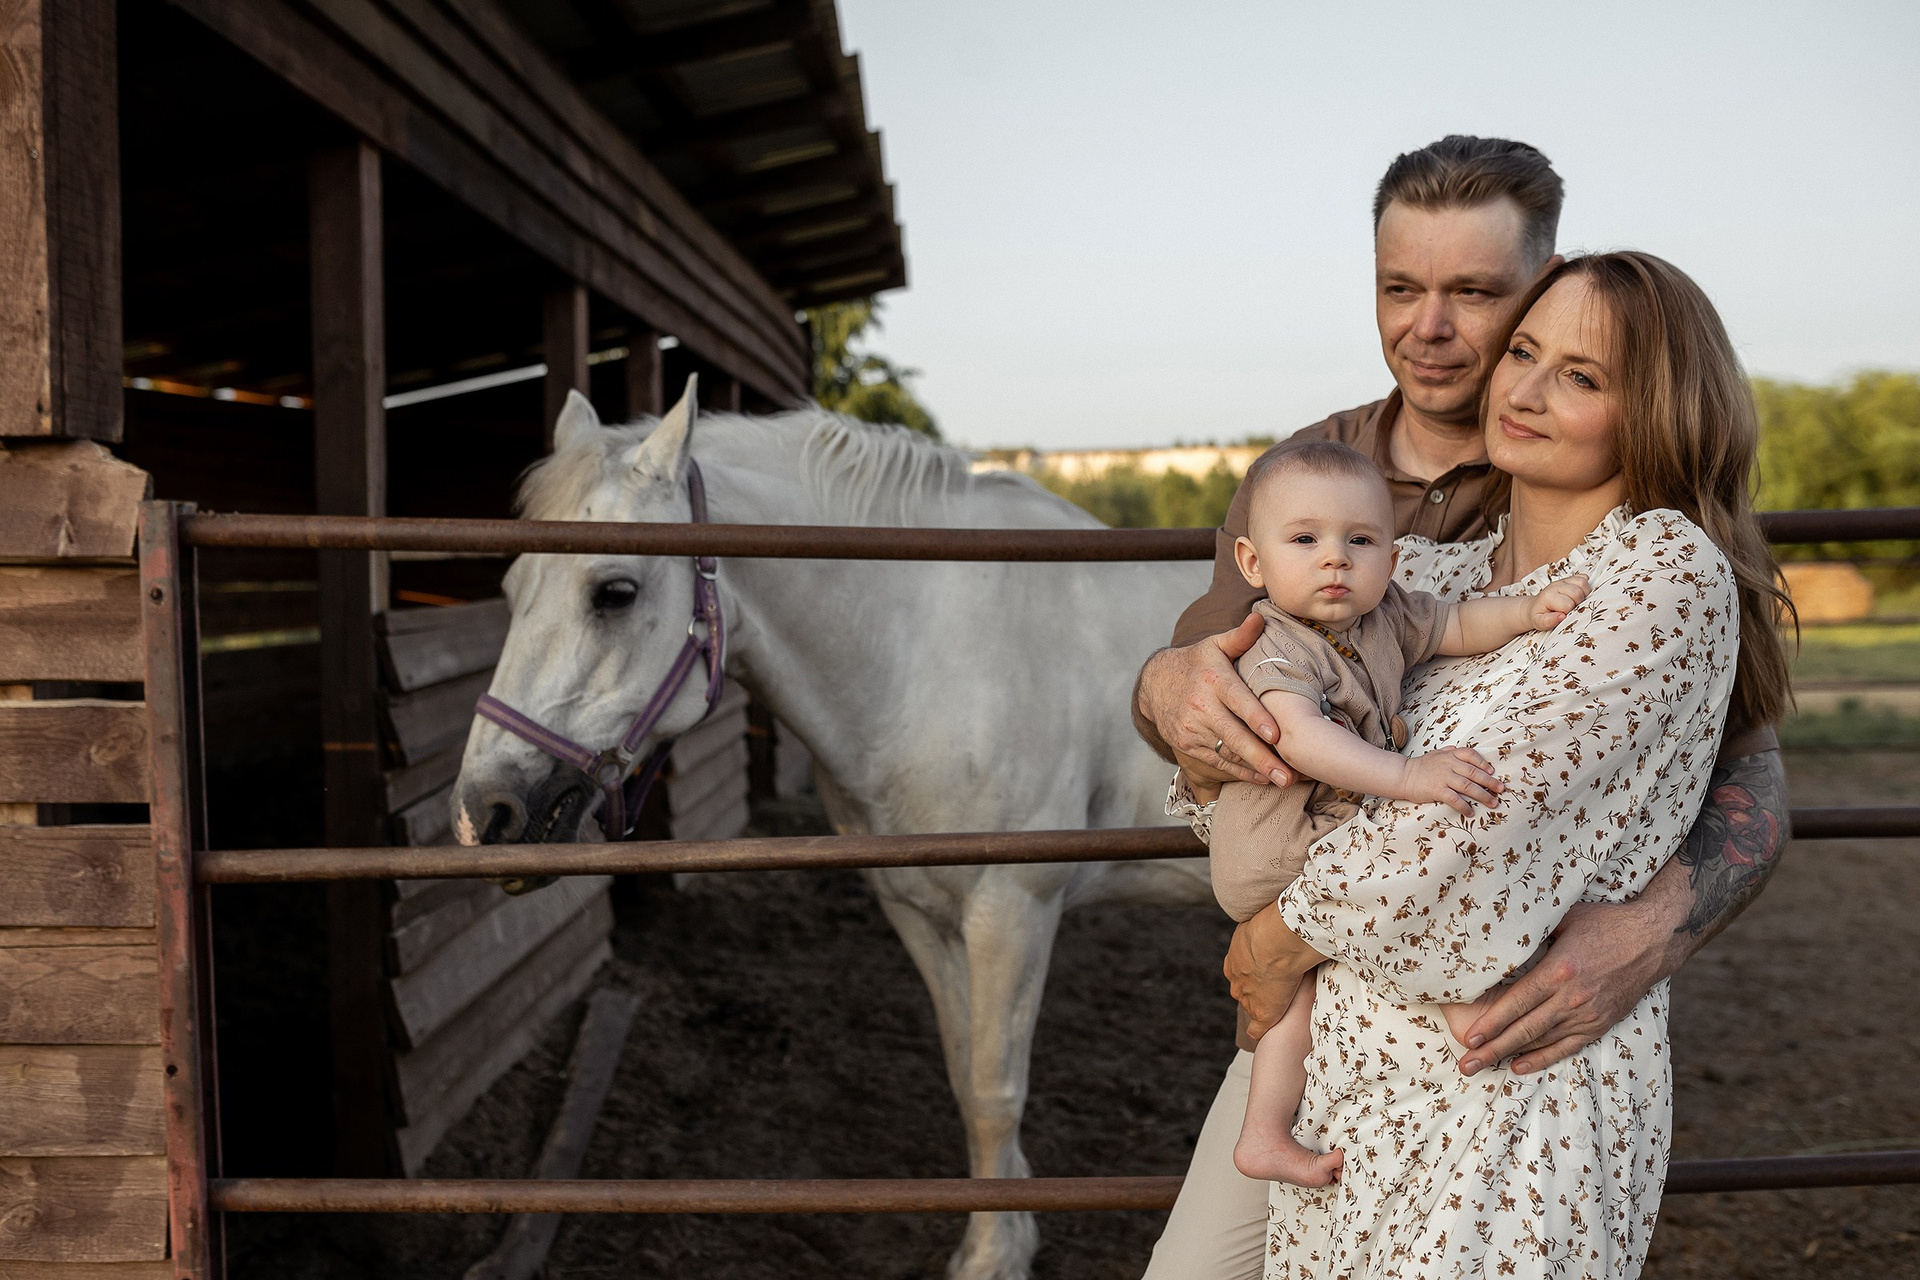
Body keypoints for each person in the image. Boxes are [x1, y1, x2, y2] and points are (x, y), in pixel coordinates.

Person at [1135, 137, 1792, 1279]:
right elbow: (1222, 693)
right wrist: (1164, 682)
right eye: (1402, 287)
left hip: (1483, 1055)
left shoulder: (1641, 556)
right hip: (1327, 1032)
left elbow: (1734, 768)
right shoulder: (1337, 492)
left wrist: (1658, 923)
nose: (1434, 330)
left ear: (1535, 282)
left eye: (1480, 297)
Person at [1174, 438, 1589, 1188]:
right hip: (1277, 839)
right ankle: (1462, 1002)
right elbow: (1299, 736)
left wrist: (1528, 612)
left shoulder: (1385, 615)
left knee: (1295, 998)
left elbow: (1455, 626)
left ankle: (1264, 1132)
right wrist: (1407, 775)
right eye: (1305, 540)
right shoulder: (1275, 645)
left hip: (1303, 838)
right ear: (1253, 564)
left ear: (1392, 560)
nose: (1335, 558)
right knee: (1403, 873)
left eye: (1360, 541)